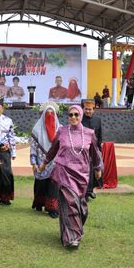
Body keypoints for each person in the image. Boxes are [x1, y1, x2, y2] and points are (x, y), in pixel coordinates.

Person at [39, 105, 102, 248]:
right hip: (64, 172)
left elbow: (95, 152)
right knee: (70, 204)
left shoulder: (89, 133)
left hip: (82, 175)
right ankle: (71, 238)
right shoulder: (61, 132)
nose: (73, 117)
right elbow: (53, 149)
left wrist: (97, 168)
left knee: (82, 208)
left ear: (80, 116)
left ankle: (74, 229)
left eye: (76, 115)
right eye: (70, 115)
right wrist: (44, 163)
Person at [30, 102, 60, 218]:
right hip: (40, 162)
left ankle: (52, 208)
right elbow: (33, 147)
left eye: (52, 113)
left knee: (53, 185)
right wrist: (33, 162)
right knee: (41, 185)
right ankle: (39, 203)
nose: (50, 115)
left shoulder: (60, 129)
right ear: (43, 115)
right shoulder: (36, 129)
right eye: (47, 113)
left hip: (56, 162)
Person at [81, 100, 103, 201]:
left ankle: (91, 190)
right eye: (86, 109)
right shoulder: (79, 118)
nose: (88, 111)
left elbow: (99, 135)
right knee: (85, 170)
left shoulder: (98, 120)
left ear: (93, 110)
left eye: (90, 109)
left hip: (94, 149)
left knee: (95, 169)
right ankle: (85, 192)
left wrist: (99, 149)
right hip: (82, 149)